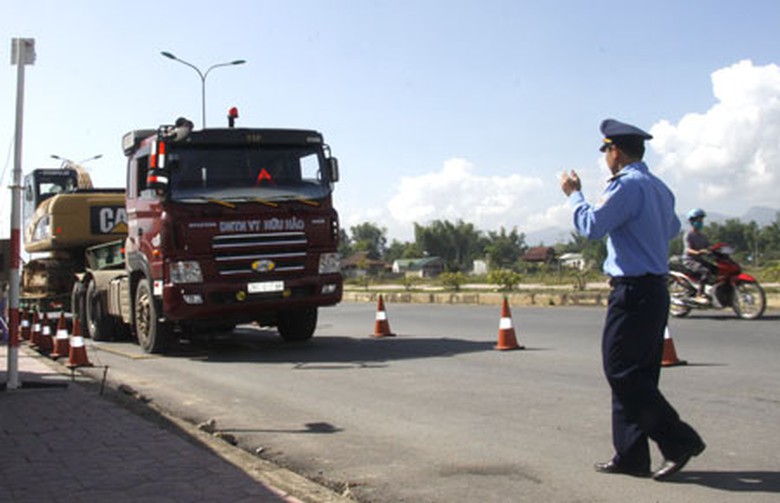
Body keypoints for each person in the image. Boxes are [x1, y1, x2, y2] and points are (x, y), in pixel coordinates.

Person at [560, 118, 705, 481]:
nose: (605, 157)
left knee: (621, 372)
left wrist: (574, 194)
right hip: (655, 290)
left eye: (606, 150)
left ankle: (678, 440)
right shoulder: (658, 187)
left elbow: (592, 226)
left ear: (616, 152)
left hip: (633, 291)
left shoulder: (625, 186)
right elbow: (671, 228)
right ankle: (630, 455)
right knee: (638, 375)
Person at [683, 208, 715, 303]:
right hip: (690, 260)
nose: (701, 222)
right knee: (705, 272)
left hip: (700, 260)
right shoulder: (689, 235)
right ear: (692, 222)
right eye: (698, 220)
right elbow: (688, 249)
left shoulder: (703, 236)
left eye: (701, 220)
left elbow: (709, 247)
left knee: (716, 269)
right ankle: (699, 294)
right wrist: (698, 252)